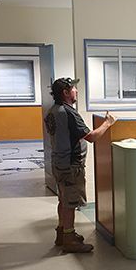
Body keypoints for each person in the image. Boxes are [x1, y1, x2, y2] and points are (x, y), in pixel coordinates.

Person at [44, 77, 115, 253]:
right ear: (66, 93)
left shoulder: (52, 110)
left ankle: (62, 233)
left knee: (63, 199)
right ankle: (70, 240)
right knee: (70, 203)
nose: (77, 91)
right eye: (74, 89)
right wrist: (108, 123)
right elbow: (91, 137)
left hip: (59, 162)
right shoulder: (68, 113)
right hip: (70, 166)